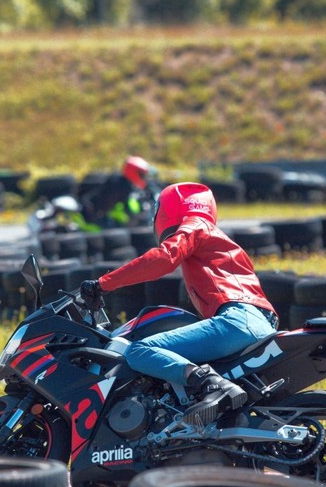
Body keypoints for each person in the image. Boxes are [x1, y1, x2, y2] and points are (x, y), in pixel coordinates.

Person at [80, 181, 279, 426]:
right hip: (255, 322)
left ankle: (213, 385)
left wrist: (103, 284)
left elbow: (163, 259)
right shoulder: (215, 240)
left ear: (167, 210)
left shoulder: (195, 226)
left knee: (140, 351)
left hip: (238, 320)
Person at [80, 156, 156, 228]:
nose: (144, 178)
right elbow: (127, 206)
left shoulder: (127, 183)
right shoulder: (120, 184)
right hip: (97, 215)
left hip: (106, 213)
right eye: (141, 174)